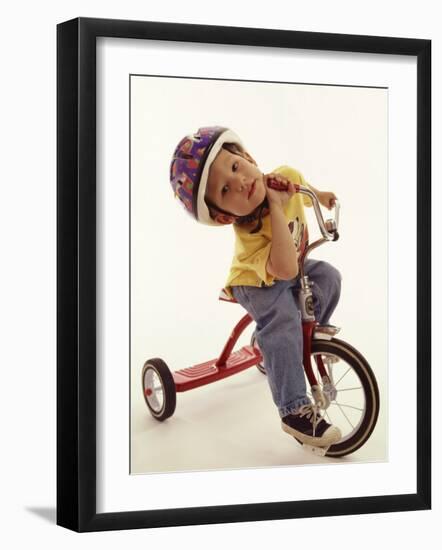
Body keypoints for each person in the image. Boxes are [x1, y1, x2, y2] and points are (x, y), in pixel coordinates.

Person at [170, 126, 342, 448]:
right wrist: (276, 206)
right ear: (224, 216)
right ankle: (293, 411)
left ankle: (304, 336)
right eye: (224, 191)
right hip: (257, 280)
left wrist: (317, 196)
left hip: (291, 266)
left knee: (329, 277)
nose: (239, 182)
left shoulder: (284, 176)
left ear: (247, 157)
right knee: (284, 319)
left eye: (235, 167)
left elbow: (301, 184)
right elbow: (285, 268)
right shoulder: (250, 233)